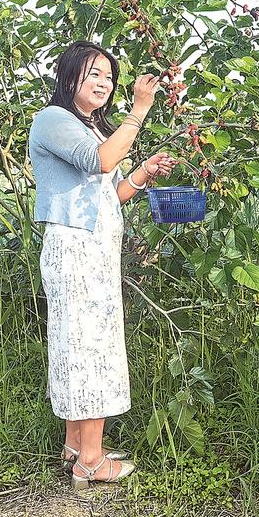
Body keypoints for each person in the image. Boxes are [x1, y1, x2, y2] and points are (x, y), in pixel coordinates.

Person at [28, 41, 177, 489]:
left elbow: (108, 194)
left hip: (94, 251)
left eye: (108, 76)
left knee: (81, 344)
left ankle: (77, 445)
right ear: (69, 75)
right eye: (93, 73)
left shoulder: (90, 128)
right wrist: (140, 109)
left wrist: (143, 173)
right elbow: (102, 160)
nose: (104, 82)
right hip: (75, 250)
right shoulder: (53, 119)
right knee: (88, 347)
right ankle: (91, 460)